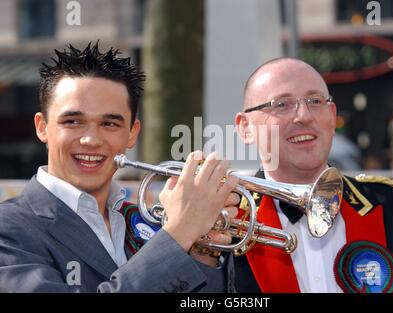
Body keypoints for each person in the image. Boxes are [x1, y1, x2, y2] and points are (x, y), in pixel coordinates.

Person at [0, 42, 239, 292]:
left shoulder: (146, 222)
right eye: (72, 121)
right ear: (42, 127)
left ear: (132, 134)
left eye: (110, 124)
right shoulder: (8, 229)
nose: (91, 139)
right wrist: (179, 234)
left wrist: (203, 250)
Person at [233, 57, 393, 293]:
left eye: (314, 101)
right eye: (281, 104)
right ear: (245, 128)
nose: (303, 115)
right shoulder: (222, 219)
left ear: (332, 117)